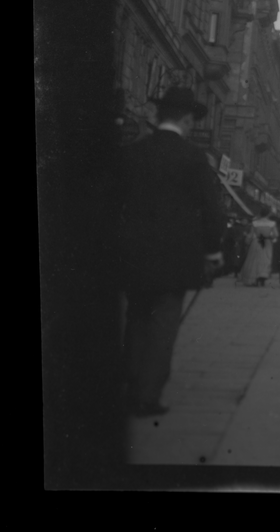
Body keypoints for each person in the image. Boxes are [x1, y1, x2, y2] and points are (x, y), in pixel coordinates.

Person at [116, 86, 225, 418]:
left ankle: (130, 387)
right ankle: (147, 396)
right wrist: (212, 252)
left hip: (134, 257)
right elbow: (213, 211)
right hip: (176, 261)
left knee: (136, 321)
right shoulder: (194, 157)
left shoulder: (133, 153)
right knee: (163, 326)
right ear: (187, 120)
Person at [240, 207, 278, 287]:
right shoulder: (272, 223)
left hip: (256, 241)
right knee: (266, 259)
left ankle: (254, 278)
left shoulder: (255, 223)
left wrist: (247, 241)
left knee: (254, 260)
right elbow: (276, 234)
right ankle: (262, 277)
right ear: (268, 214)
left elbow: (251, 235)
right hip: (267, 242)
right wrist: (270, 237)